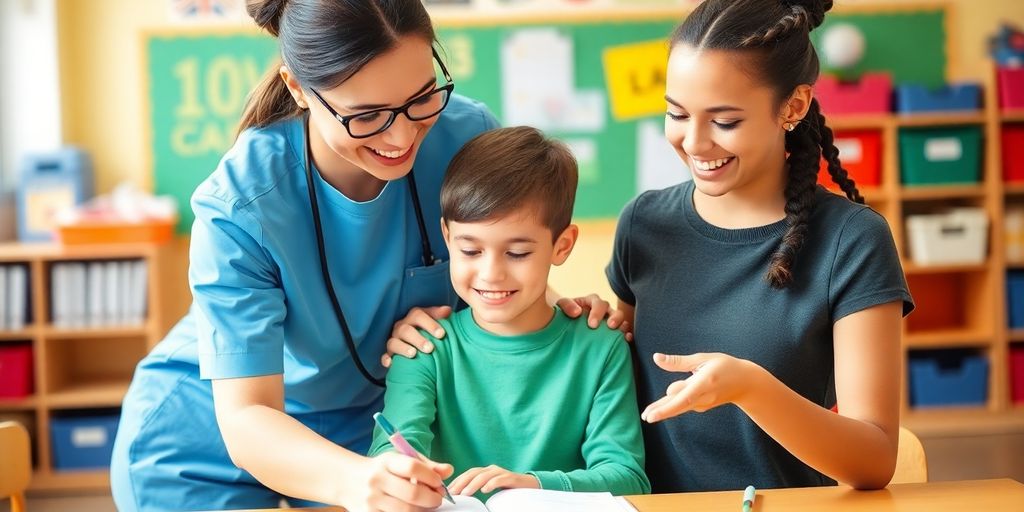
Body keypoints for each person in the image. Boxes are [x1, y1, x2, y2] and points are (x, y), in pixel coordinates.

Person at [111, 2, 618, 511]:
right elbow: (246, 417)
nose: (402, 136)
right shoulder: (240, 204)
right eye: (367, 116)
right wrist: (356, 481)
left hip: (368, 431)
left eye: (421, 98)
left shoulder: (465, 137)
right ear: (298, 88)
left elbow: (497, 258)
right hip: (208, 441)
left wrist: (559, 312)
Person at [605, 0, 915, 494]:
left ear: (793, 107)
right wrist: (578, 326)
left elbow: (874, 460)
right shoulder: (643, 223)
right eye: (677, 113)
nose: (694, 142)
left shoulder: (852, 240)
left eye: (725, 121)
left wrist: (751, 388)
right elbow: (613, 384)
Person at [367, 126, 650, 498]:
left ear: (562, 246)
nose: (491, 273)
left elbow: (628, 478)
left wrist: (533, 485)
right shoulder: (424, 348)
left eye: (517, 253)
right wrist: (398, 470)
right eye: (470, 251)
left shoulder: (600, 347)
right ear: (447, 237)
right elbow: (389, 451)